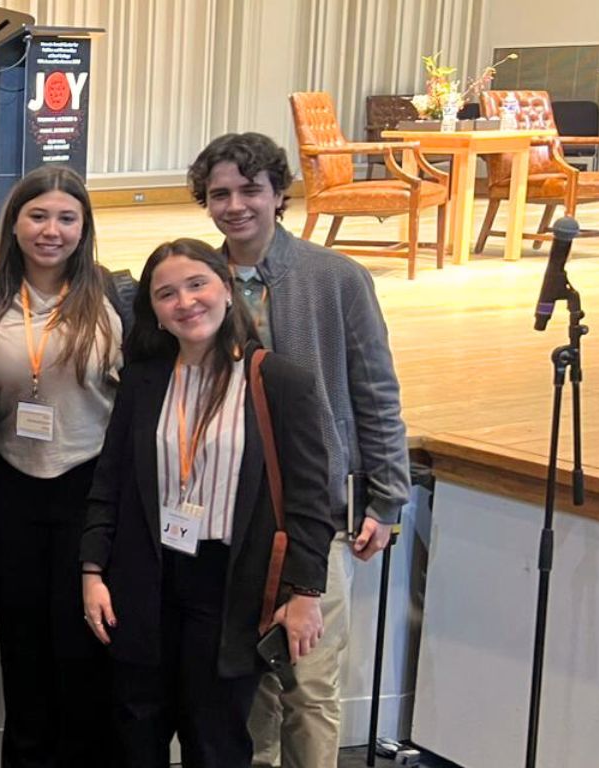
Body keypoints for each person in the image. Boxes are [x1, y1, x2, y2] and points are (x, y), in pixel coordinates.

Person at [188, 132, 411, 768]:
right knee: (245, 684)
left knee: (309, 683)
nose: (235, 206)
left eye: (250, 190)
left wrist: (388, 496)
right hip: (230, 510)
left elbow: (376, 391)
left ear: (278, 193)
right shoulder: (199, 281)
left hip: (314, 512)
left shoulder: (336, 278)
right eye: (220, 193)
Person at [80, 239, 337, 768]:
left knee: (216, 740)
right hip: (145, 580)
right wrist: (91, 570)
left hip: (229, 590)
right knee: (135, 731)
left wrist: (306, 591)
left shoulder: (279, 383)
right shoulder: (143, 382)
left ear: (225, 287)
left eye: (197, 284)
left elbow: (311, 502)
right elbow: (111, 483)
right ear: (152, 310)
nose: (185, 302)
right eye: (166, 293)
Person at [0, 165, 126, 767]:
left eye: (66, 218)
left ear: (83, 229)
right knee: (24, 656)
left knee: (86, 656)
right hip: (13, 492)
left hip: (89, 491)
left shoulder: (111, 300)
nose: (50, 230)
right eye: (37, 216)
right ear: (14, 224)